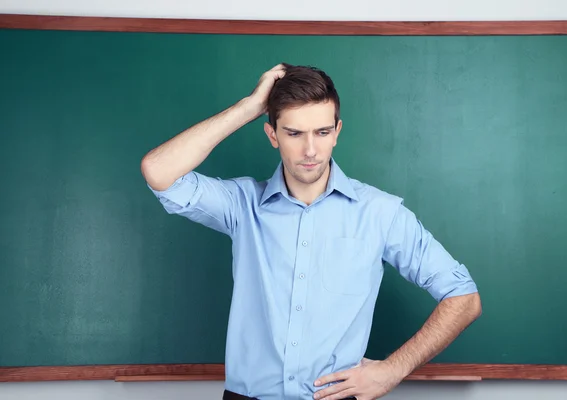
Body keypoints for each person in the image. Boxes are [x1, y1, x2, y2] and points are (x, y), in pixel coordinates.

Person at [141, 63, 482, 400]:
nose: (310, 151)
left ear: (337, 131)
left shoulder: (380, 212)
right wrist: (249, 107)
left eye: (322, 132)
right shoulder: (241, 205)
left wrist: (392, 371)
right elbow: (158, 171)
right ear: (272, 134)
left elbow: (463, 297)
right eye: (293, 133)